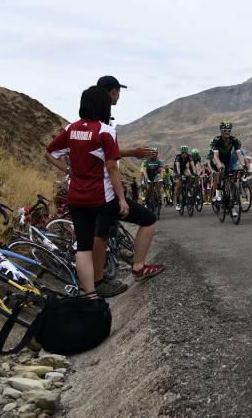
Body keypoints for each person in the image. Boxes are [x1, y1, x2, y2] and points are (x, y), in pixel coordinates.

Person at [45, 86, 163, 295]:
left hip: (76, 198)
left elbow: (50, 153)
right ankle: (138, 267)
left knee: (83, 247)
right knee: (148, 219)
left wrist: (70, 170)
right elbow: (111, 168)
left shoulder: (71, 128)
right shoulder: (105, 131)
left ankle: (91, 294)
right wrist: (121, 199)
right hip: (102, 198)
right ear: (103, 106)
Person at [210, 121, 245, 214]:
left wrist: (242, 165)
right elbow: (215, 156)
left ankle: (232, 205)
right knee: (219, 173)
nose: (227, 132)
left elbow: (239, 154)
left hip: (227, 161)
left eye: (229, 130)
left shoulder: (234, 140)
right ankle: (217, 193)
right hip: (217, 160)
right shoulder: (216, 140)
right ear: (221, 131)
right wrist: (219, 164)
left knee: (232, 181)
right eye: (225, 130)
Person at [173, 145, 194, 211]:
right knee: (179, 185)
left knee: (190, 175)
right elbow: (178, 166)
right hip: (177, 170)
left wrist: (195, 172)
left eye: (185, 153)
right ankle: (178, 203)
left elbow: (192, 165)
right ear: (181, 153)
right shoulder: (178, 157)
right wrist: (179, 174)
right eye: (183, 153)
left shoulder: (189, 156)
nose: (184, 154)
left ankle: (188, 189)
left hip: (184, 169)